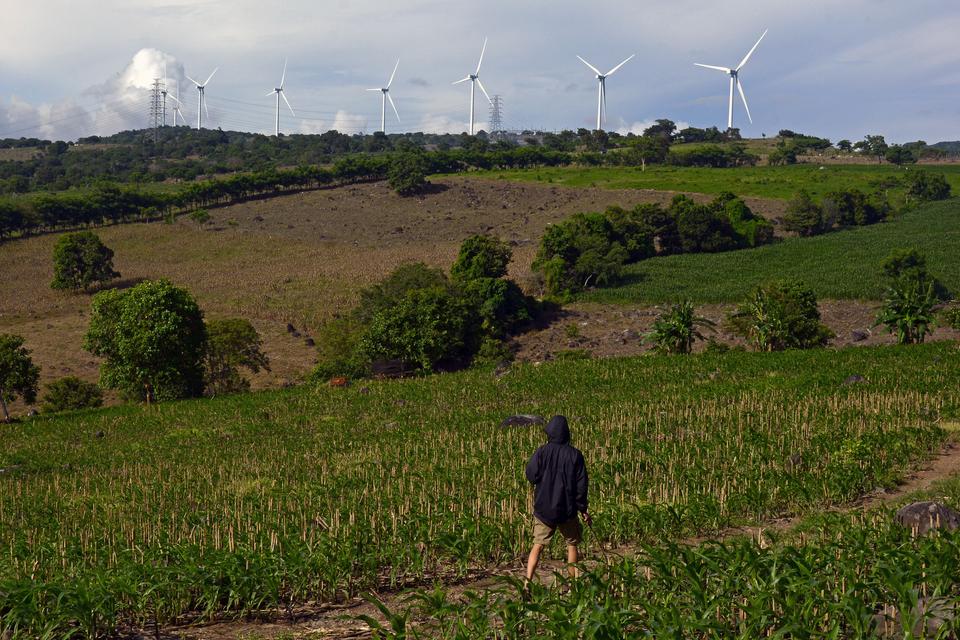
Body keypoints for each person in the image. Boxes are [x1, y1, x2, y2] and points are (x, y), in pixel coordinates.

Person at [524, 414, 590, 584]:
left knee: (537, 545)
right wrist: (583, 508)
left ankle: (527, 582)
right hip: (567, 509)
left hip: (544, 509)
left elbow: (531, 474)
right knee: (572, 545)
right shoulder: (575, 455)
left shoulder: (542, 452)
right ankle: (573, 586)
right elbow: (581, 486)